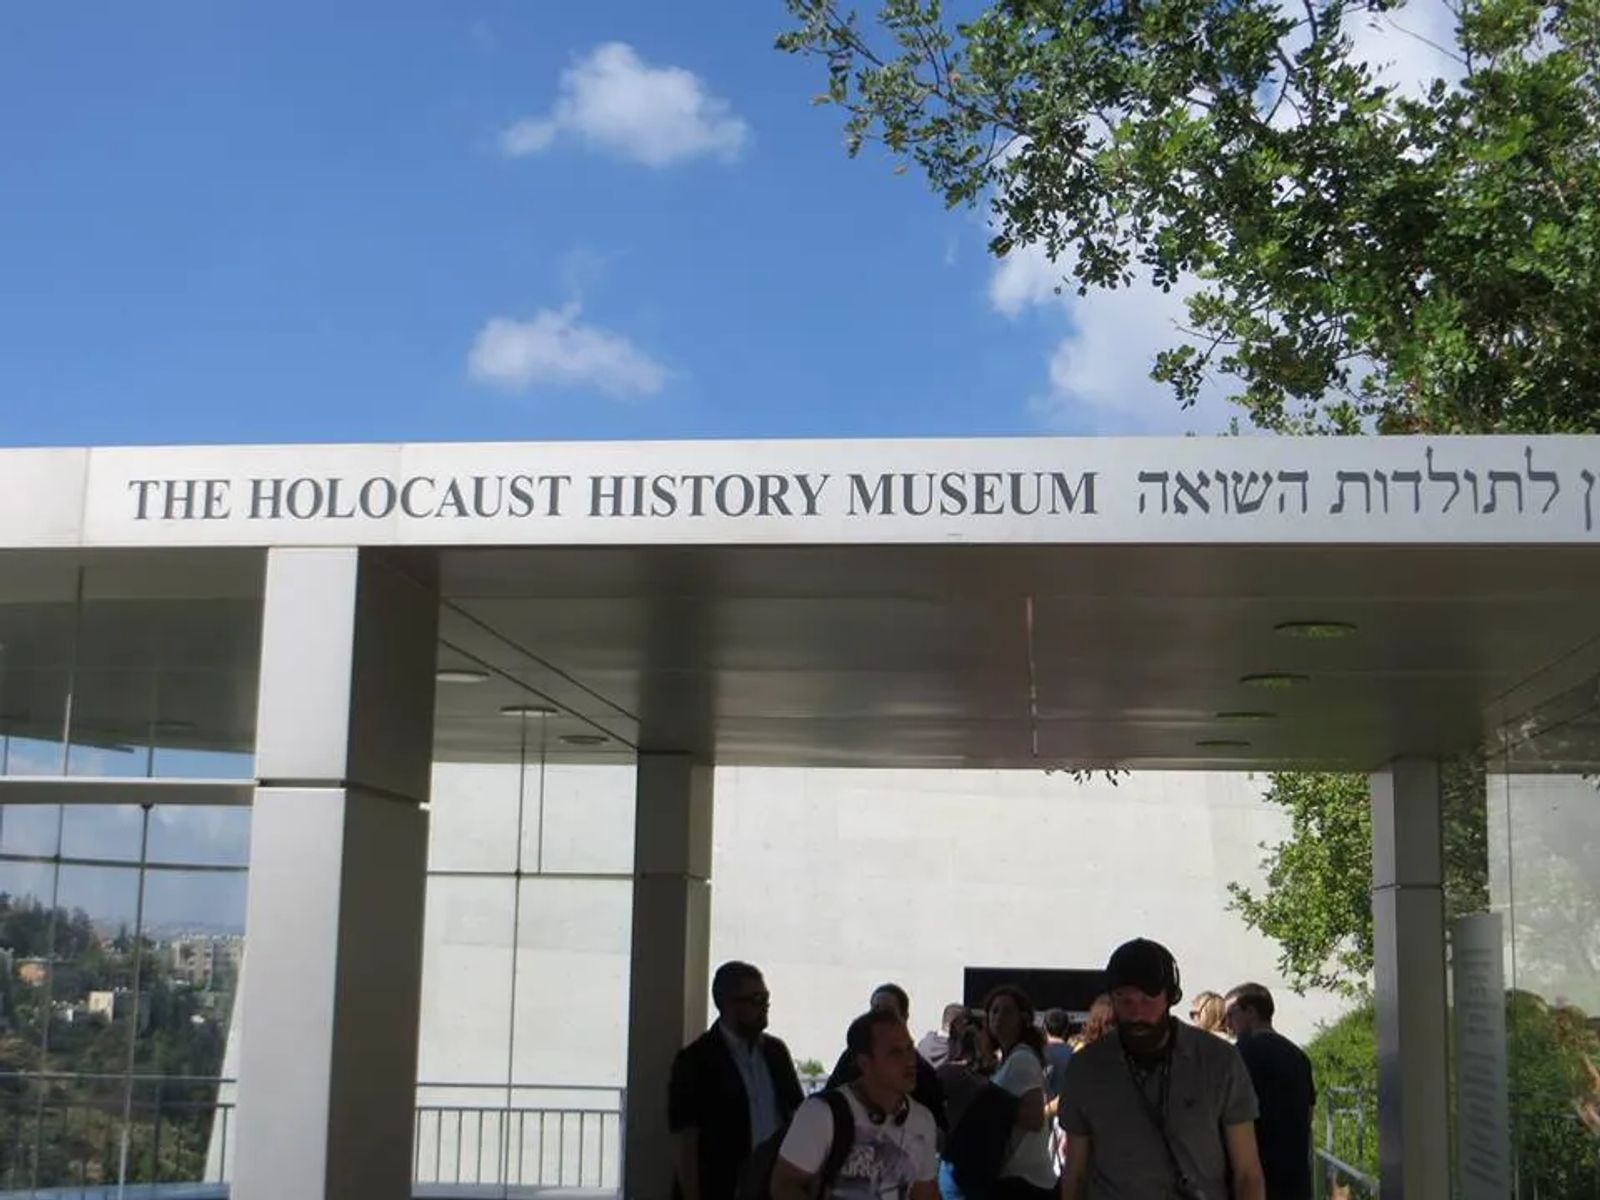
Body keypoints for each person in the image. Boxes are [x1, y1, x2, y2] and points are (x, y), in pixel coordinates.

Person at [1059, 939, 1266, 1200]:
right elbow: (1074, 1174)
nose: (1136, 1013)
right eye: (1125, 1000)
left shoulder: (1219, 1061)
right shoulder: (1086, 1068)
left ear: (1171, 997)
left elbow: (1248, 1172)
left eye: (1148, 1000)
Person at [669, 961, 805, 1200]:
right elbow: (686, 1142)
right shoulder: (695, 1060)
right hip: (721, 1187)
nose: (764, 1006)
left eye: (765, 998)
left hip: (772, 1185)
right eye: (755, 999)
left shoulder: (775, 1052)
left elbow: (795, 1114)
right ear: (728, 1004)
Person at [772, 1008, 940, 1200]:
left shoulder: (922, 1120)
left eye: (910, 1048)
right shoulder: (821, 1113)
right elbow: (783, 1186)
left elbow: (925, 1193)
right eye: (895, 1052)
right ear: (865, 1063)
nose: (909, 1060)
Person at [1225, 983, 1316, 1200]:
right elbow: (1309, 1114)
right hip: (1295, 1180)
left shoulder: (1235, 1057)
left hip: (1253, 1182)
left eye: (1230, 1015)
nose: (1227, 1024)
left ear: (1251, 1012)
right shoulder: (1298, 1056)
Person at [827, 983, 949, 1130]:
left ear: (904, 1017)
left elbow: (938, 1129)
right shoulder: (852, 1059)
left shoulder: (922, 1072)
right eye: (875, 1011)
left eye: (888, 1013)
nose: (880, 1019)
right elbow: (831, 1098)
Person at [984, 985, 1056, 1200]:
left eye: (1007, 1011)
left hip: (1025, 1180)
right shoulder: (1004, 1060)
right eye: (994, 1011)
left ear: (1022, 1018)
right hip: (1011, 1174)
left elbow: (1034, 1118)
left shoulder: (1022, 1059)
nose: (998, 1017)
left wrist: (991, 1104)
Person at [1040, 1010, 1074, 1171]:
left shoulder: (1036, 1054)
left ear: (1044, 1027)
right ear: (1066, 1029)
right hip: (1064, 1125)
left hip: (1039, 1122)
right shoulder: (1075, 1055)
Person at [918, 1004, 969, 1069]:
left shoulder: (925, 1042)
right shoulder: (951, 1047)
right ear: (952, 1024)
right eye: (964, 1024)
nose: (966, 1029)